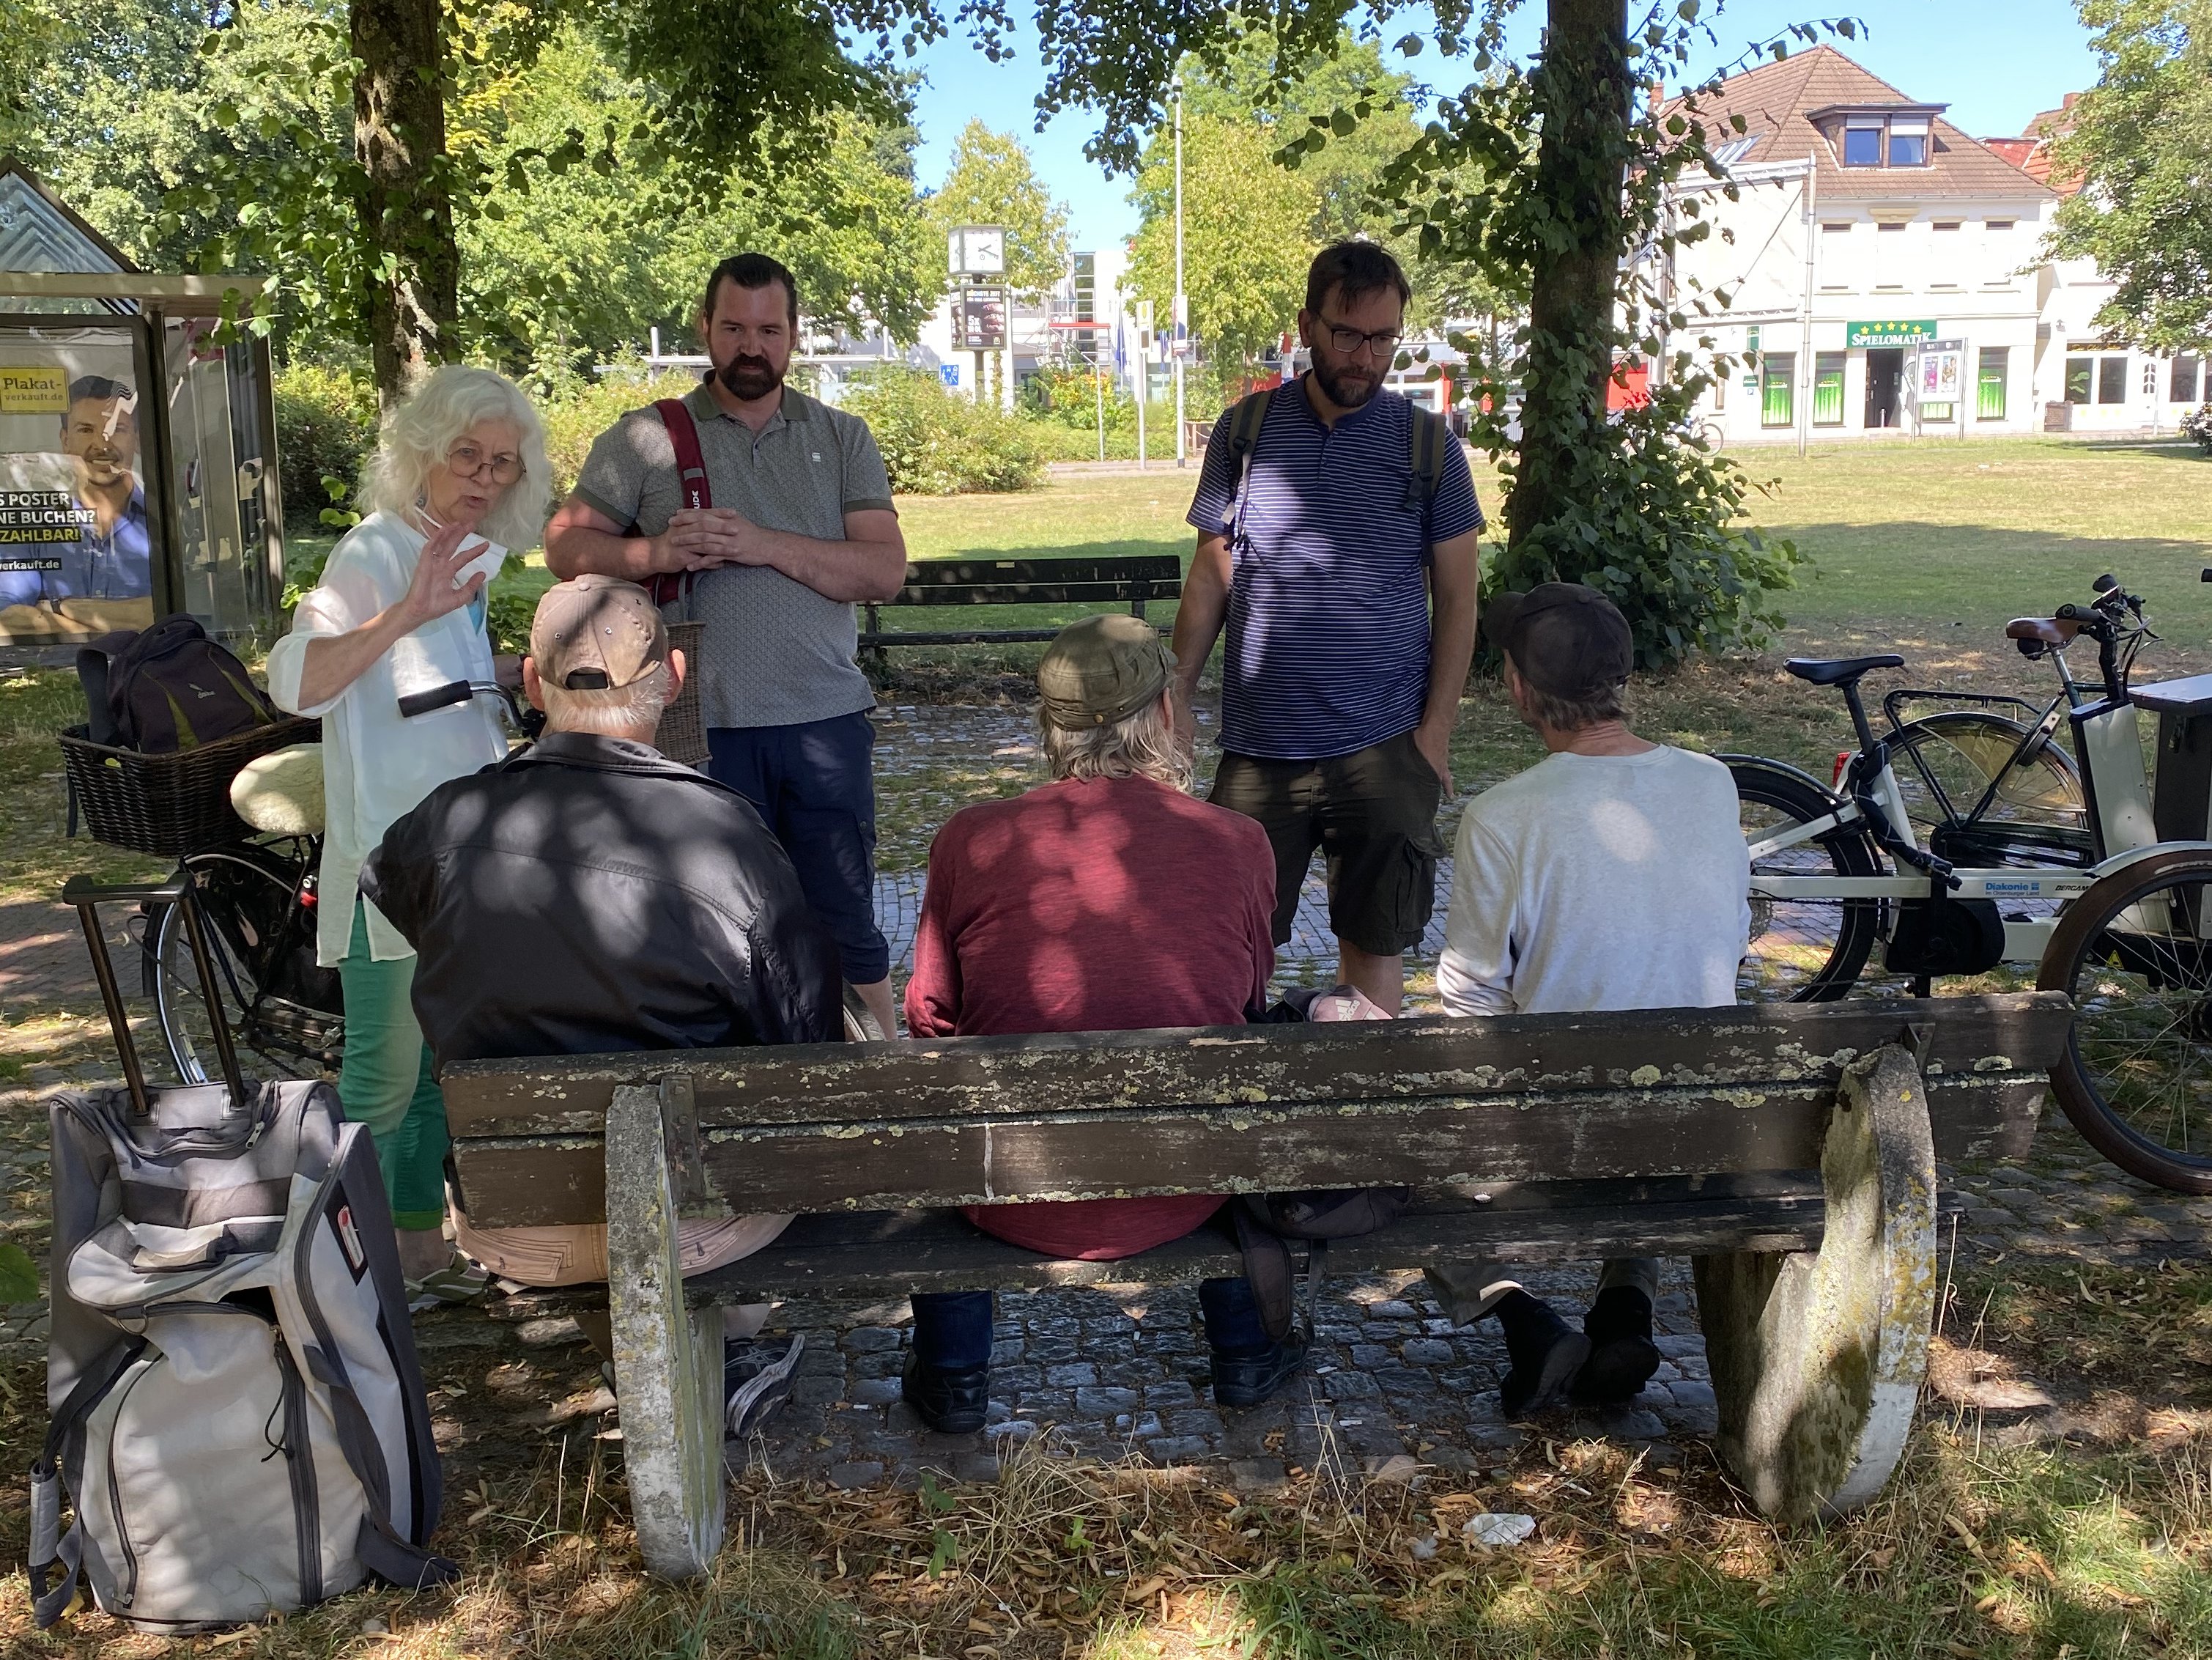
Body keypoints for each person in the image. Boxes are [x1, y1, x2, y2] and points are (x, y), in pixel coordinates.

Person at [361, 575, 845, 1433]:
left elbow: (397, 894)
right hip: (695, 1221)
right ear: (675, 675)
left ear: (530, 682)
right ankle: (729, 1341)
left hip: (518, 1225)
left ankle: (637, 1335)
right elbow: (802, 1043)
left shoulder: (445, 819)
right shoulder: (725, 834)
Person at [899, 614, 1300, 1433]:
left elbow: (931, 1018)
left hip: (1006, 1186)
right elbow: (1248, 1000)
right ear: (1161, 716)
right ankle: (1247, 1352)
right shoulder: (1239, 842)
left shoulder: (970, 840)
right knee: (1235, 1085)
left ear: (1049, 725)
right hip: (1190, 1181)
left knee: (943, 1103)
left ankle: (952, 1375)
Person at [543, 252, 906, 1039]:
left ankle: (881, 1086)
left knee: (846, 930)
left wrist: (759, 542)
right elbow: (564, 550)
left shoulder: (843, 437)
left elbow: (883, 570)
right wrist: (656, 557)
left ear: (794, 335)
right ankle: (725, 1101)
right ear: (704, 329)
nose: (752, 347)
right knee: (707, 932)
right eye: (734, 328)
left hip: (823, 724)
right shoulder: (644, 438)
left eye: (769, 330)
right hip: (691, 734)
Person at [1429, 583, 1750, 1416]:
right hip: (1701, 1127)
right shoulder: (1714, 784)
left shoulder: (1503, 817)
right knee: (1649, 1083)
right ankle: (1625, 1310)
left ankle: (1520, 1315)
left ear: (1516, 687)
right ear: (1623, 674)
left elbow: (1470, 1000)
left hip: (1563, 1136)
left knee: (1397, 1148)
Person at [266, 365, 548, 1300]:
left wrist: (519, 676)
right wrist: (402, 614)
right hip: (387, 874)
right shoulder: (378, 551)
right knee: (383, 1082)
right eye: (464, 454)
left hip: (458, 871)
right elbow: (295, 682)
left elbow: (434, 701)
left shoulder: (469, 564)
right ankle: (347, 1284)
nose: (481, 475)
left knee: (437, 1073)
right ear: (421, 454)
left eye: (501, 463)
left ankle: (419, 1249)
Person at [1176, 241, 1485, 1018]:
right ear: (1307, 326)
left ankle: (1370, 1117)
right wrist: (1175, 693)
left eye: (1384, 338)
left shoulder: (1428, 445)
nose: (1366, 357)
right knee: (1230, 947)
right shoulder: (1243, 432)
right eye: (1349, 335)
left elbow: (1458, 599)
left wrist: (1435, 731)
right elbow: (1212, 571)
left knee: (1372, 952)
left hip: (1384, 747)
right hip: (1258, 751)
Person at [0, 375, 152, 612]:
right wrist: (137, 613)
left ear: (137, 438)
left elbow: (181, 617)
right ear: (65, 441)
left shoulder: (164, 522)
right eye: (86, 430)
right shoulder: (34, 527)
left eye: (116, 429)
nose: (102, 444)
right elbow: (9, 617)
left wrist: (59, 609)